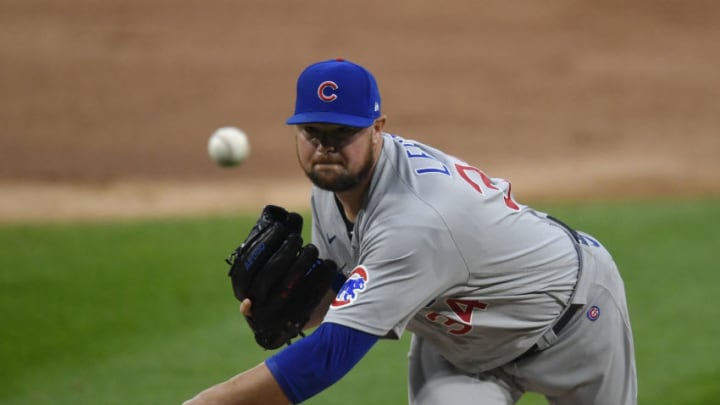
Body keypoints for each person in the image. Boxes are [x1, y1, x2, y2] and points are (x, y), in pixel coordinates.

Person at [184, 58, 637, 405]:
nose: (325, 148)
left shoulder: (417, 222)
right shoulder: (330, 189)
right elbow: (349, 295)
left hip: (573, 322)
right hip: (458, 350)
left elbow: (328, 356)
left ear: (378, 129)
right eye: (312, 132)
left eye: (342, 133)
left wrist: (210, 401)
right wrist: (297, 313)